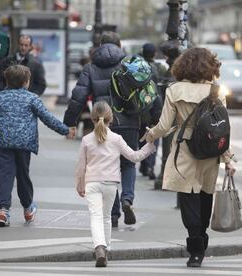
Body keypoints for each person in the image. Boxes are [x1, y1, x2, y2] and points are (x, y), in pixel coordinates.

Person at [145, 48, 236, 267]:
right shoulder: (216, 92)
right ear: (210, 66)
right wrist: (227, 157)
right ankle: (201, 239)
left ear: (182, 66)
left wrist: (150, 135)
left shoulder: (174, 90)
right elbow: (221, 128)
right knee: (206, 194)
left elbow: (165, 125)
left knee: (188, 198)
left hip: (184, 148)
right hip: (210, 148)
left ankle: (195, 247)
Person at [64, 31, 162, 227]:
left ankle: (114, 214)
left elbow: (78, 96)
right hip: (130, 122)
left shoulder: (90, 68)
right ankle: (127, 199)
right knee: (127, 164)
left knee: (109, 168)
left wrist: (70, 121)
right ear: (119, 45)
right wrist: (155, 121)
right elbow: (152, 93)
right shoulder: (129, 64)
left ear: (100, 45)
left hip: (104, 122)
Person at [0, 65, 69, 227]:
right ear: (26, 82)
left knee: (5, 175)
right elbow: (47, 118)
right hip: (24, 144)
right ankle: (28, 208)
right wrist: (65, 130)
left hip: (5, 141)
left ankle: (4, 211)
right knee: (23, 176)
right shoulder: (32, 98)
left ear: (6, 80)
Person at [75, 101, 155, 267]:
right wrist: (150, 145)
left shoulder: (86, 140)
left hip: (92, 183)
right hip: (111, 184)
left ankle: (99, 248)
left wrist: (80, 184)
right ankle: (107, 248)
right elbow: (134, 157)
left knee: (95, 217)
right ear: (111, 118)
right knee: (106, 218)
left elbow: (81, 166)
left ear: (92, 118)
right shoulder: (116, 138)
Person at [138, 43, 166, 180]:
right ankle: (150, 165)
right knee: (154, 138)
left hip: (141, 106)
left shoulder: (137, 67)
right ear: (154, 54)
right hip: (155, 105)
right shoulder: (159, 69)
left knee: (142, 137)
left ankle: (144, 164)